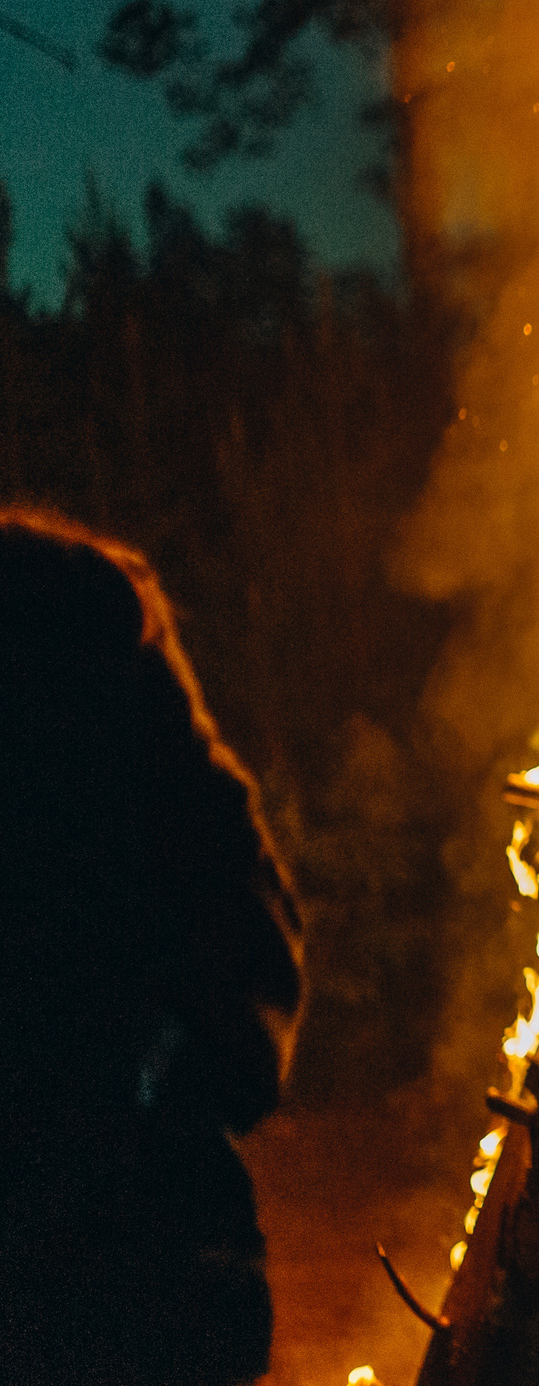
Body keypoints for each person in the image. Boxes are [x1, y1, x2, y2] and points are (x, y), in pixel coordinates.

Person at [0, 507, 303, 1385]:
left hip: (139, 1259)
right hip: (152, 1260)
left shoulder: (72, 606)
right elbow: (252, 968)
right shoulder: (87, 615)